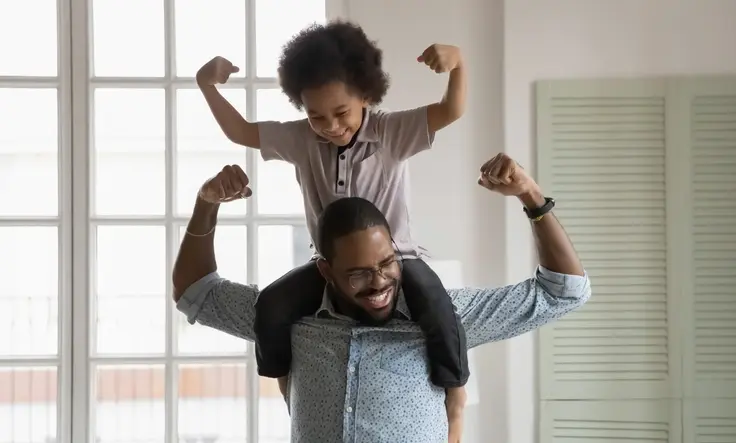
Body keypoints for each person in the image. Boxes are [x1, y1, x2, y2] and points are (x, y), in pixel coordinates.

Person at [172, 153, 591, 443]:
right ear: (325, 271)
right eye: (357, 274)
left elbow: (564, 292)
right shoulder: (291, 318)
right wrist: (206, 204)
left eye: (387, 263)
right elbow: (194, 291)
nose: (378, 283)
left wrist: (531, 197)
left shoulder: (446, 315)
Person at [195, 20, 470, 434]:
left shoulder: (391, 132)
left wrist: (458, 64)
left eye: (341, 112)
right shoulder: (302, 140)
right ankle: (291, 389)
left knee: (438, 310)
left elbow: (452, 109)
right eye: (316, 115)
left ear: (365, 94)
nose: (331, 126)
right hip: (331, 266)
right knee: (271, 306)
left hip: (397, 260)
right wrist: (207, 86)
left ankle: (456, 400)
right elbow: (240, 131)